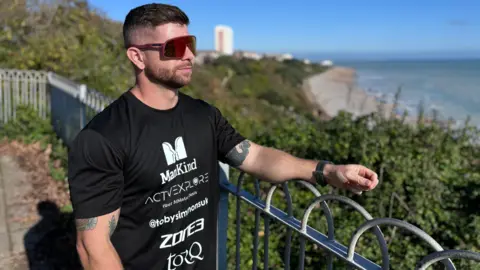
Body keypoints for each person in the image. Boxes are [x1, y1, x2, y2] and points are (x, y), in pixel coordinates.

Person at [67, 3, 379, 270]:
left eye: (190, 43)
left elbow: (254, 156)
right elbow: (93, 247)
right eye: (174, 48)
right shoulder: (103, 137)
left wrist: (328, 171)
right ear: (137, 57)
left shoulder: (203, 115)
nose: (189, 55)